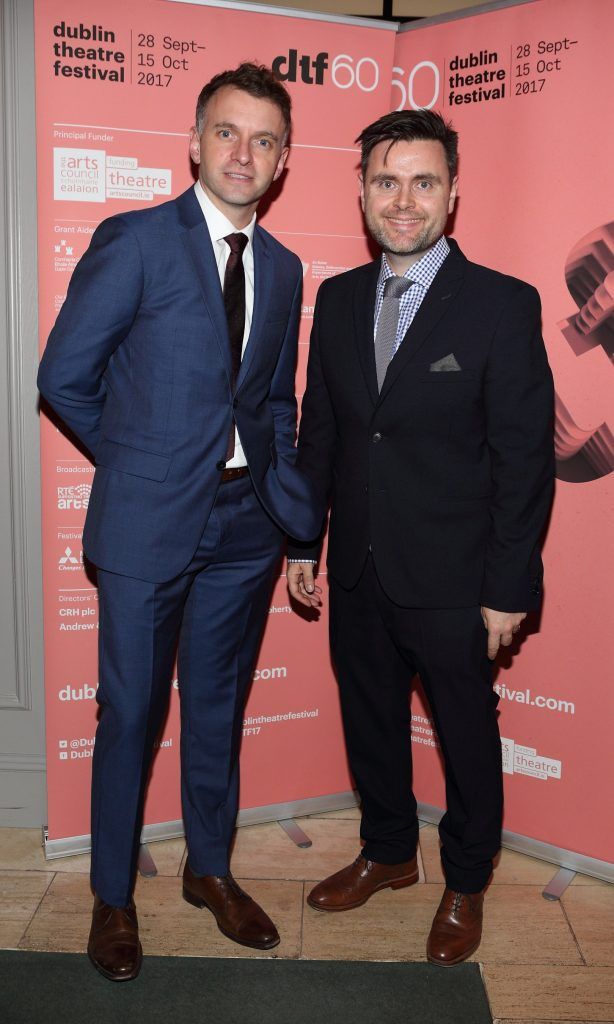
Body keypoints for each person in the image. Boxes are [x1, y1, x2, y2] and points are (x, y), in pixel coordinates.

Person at [38, 63, 320, 982]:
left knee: (216, 711)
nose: (244, 152)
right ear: (194, 141)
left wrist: (285, 503)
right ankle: (112, 898)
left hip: (245, 534)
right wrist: (146, 460)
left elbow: (274, 400)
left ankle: (210, 870)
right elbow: (64, 378)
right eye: (228, 132)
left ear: (281, 162)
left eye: (264, 139)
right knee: (128, 714)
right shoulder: (137, 241)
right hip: (147, 529)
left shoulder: (282, 269)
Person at [287, 109, 554, 966]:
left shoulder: (503, 305)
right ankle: (390, 851)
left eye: (423, 182)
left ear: (453, 194)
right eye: (387, 181)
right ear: (363, 192)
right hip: (359, 567)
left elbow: (523, 460)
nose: (404, 201)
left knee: (468, 735)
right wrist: (303, 542)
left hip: (455, 578)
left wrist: (509, 586)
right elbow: (321, 434)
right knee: (370, 722)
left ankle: (466, 878)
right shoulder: (335, 299)